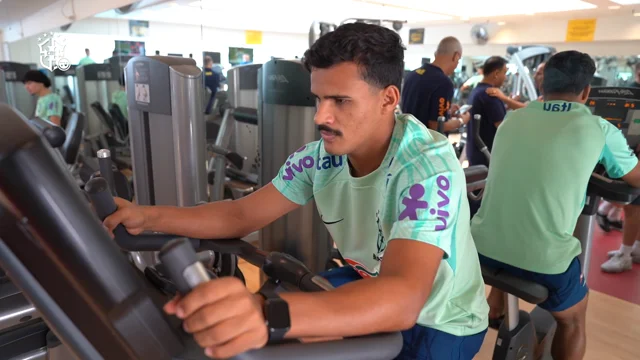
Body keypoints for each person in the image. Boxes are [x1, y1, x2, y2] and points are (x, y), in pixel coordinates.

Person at [104, 23, 489, 360]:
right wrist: (146, 215)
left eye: (340, 100)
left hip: (440, 319)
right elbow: (239, 216)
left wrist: (266, 313)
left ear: (388, 99)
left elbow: (404, 299)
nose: (321, 116)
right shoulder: (319, 159)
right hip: (368, 281)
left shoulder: (426, 168)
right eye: (319, 98)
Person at [471, 50, 640, 360]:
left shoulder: (512, 119)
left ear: (543, 84)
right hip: (542, 261)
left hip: (479, 246)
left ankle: (497, 305)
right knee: (573, 318)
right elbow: (635, 178)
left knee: (515, 226)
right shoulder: (599, 128)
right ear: (587, 91)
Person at [401, 36, 471, 133]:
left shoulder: (412, 75)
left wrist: (447, 111)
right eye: (458, 61)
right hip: (426, 145)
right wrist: (461, 121)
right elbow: (436, 125)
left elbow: (421, 109)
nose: (456, 66)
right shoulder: (444, 82)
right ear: (456, 56)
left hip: (406, 138)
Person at [465, 56, 509, 167]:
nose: (505, 77)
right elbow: (502, 127)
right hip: (487, 156)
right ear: (496, 73)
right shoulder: (490, 94)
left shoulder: (476, 91)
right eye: (504, 73)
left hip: (475, 153)